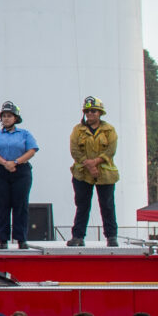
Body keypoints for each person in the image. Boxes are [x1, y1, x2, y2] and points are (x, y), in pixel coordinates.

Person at [0, 102, 38, 249]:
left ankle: (21, 239)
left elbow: (32, 150)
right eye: (4, 116)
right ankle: (2, 239)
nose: (6, 119)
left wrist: (15, 162)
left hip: (21, 171)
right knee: (2, 205)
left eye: (9, 116)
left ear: (16, 118)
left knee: (20, 205)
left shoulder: (25, 134)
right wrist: (4, 163)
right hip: (1, 171)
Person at [67, 95, 119, 247]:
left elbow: (111, 150)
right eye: (88, 111)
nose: (90, 114)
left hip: (105, 174)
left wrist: (96, 162)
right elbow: (75, 150)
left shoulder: (109, 130)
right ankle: (78, 236)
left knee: (107, 205)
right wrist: (89, 165)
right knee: (82, 205)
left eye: (94, 111)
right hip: (82, 173)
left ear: (100, 113)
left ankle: (111, 236)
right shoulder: (78, 130)